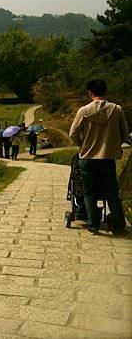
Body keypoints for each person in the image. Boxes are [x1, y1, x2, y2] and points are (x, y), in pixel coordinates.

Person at [69, 79, 129, 235]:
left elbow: (73, 133)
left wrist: (82, 145)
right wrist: (113, 145)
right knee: (111, 192)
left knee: (89, 193)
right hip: (108, 158)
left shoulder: (84, 111)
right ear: (105, 91)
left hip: (87, 158)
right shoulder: (117, 110)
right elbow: (124, 134)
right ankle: (117, 224)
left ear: (90, 93)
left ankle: (93, 224)